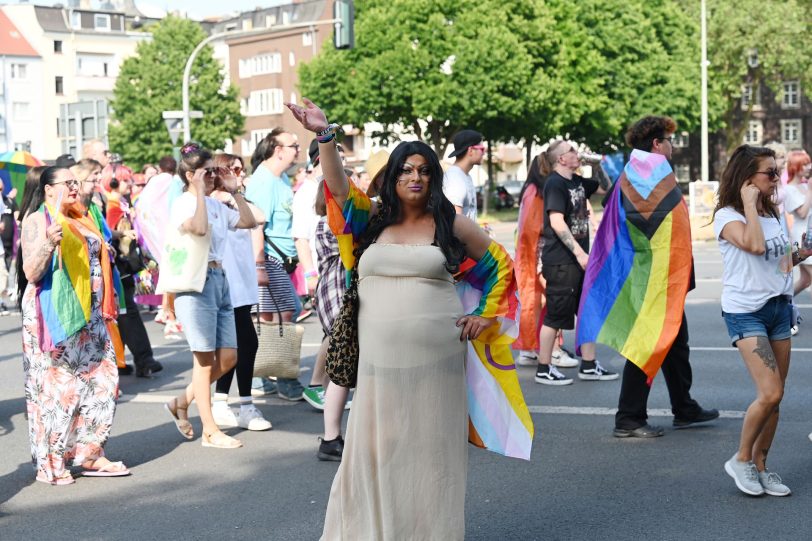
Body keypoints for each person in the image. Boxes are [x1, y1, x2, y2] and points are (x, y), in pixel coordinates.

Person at [288, 99, 530, 539]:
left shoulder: (450, 222)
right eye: (405, 170)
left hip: (438, 363)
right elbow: (338, 187)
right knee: (374, 453)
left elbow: (502, 267)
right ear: (392, 177)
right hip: (378, 365)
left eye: (423, 170)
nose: (414, 178)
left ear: (433, 177)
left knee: (430, 459)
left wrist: (483, 315)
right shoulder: (370, 218)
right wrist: (326, 137)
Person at [585, 116, 716, 437]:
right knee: (647, 343)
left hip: (664, 279)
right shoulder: (645, 176)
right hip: (651, 280)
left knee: (675, 343)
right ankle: (628, 418)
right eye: (669, 140)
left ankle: (684, 408)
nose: (672, 145)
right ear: (657, 144)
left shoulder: (639, 176)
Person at [19, 166, 129, 485]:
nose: (74, 187)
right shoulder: (38, 220)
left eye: (75, 182)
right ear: (49, 189)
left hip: (90, 313)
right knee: (59, 390)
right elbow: (31, 271)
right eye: (67, 182)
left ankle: (89, 454)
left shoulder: (80, 215)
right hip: (53, 311)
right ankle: (51, 463)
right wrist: (48, 244)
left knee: (103, 381)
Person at [713, 144, 801, 497]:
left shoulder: (773, 211)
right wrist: (748, 203)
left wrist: (803, 253)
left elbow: (778, 261)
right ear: (747, 176)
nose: (776, 179)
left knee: (775, 399)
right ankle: (741, 459)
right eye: (770, 173)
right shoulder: (727, 216)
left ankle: (762, 466)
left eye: (776, 172)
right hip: (745, 310)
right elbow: (754, 246)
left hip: (779, 308)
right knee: (770, 391)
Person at [163, 144, 258, 449]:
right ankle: (210, 431)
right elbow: (200, 229)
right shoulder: (183, 203)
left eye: (214, 170)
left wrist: (235, 190)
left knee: (229, 357)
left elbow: (248, 222)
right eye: (207, 171)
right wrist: (199, 192)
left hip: (220, 279)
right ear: (190, 175)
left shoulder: (218, 204)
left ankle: (182, 400)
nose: (213, 176)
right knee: (204, 362)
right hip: (194, 285)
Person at [533, 140, 615, 385]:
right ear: (561, 159)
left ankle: (589, 365)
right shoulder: (555, 184)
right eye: (571, 150)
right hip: (562, 262)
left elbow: (606, 189)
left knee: (588, 311)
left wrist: (597, 165)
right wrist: (580, 254)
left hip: (579, 261)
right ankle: (543, 368)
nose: (576, 153)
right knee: (555, 316)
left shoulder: (577, 182)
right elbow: (557, 222)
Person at [209, 153, 272, 432]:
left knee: (234, 347)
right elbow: (257, 217)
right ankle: (242, 404)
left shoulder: (234, 200)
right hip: (226, 284)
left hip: (241, 283)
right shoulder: (217, 200)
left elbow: (258, 218)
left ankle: (221, 401)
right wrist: (233, 193)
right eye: (234, 169)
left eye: (241, 169)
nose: (241, 174)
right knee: (244, 344)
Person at [245, 128, 306, 401]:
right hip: (270, 259)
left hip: (280, 261)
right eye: (294, 144)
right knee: (282, 315)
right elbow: (256, 225)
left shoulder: (280, 178)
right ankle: (282, 379)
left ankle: (261, 377)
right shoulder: (263, 181)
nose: (298, 149)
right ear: (277, 149)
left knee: (272, 318)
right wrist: (259, 266)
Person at [513, 155, 578, 369]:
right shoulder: (538, 192)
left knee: (537, 303)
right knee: (553, 303)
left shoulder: (530, 190)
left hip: (530, 256)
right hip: (540, 256)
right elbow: (537, 229)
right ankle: (553, 351)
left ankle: (530, 349)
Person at [103, 163, 162, 378]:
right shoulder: (112, 206)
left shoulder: (120, 203)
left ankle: (136, 360)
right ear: (113, 182)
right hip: (120, 265)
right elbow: (110, 235)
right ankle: (143, 359)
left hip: (127, 264)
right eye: (126, 180)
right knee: (127, 314)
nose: (130, 183)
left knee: (126, 314)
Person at [782, 150, 812, 330]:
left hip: (809, 232)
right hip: (802, 238)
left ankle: (781, 304)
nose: (809, 167)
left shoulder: (805, 186)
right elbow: (801, 212)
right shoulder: (789, 189)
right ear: (795, 167)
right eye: (805, 164)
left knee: (806, 280)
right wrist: (810, 191)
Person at [443, 129, 484, 221]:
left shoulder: (465, 176)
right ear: (470, 150)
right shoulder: (455, 180)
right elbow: (455, 223)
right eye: (482, 149)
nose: (483, 153)